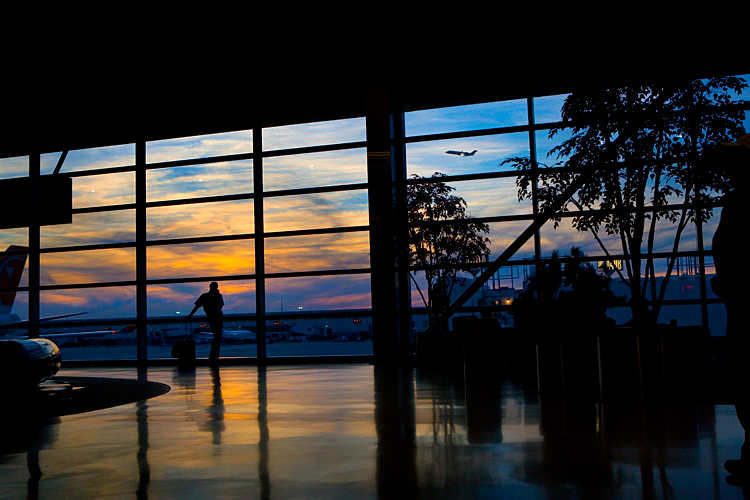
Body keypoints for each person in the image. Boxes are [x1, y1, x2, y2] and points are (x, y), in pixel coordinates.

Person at [711, 134, 750, 478]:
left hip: (746, 306)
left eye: (738, 157)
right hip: (740, 301)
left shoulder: (743, 202)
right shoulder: (740, 201)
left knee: (748, 379)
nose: (731, 164)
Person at [186, 282, 225, 363]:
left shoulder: (204, 296)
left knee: (216, 336)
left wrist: (189, 316)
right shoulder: (218, 296)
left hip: (210, 317)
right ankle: (214, 356)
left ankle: (213, 356)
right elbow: (221, 306)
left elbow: (196, 307)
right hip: (218, 316)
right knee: (218, 337)